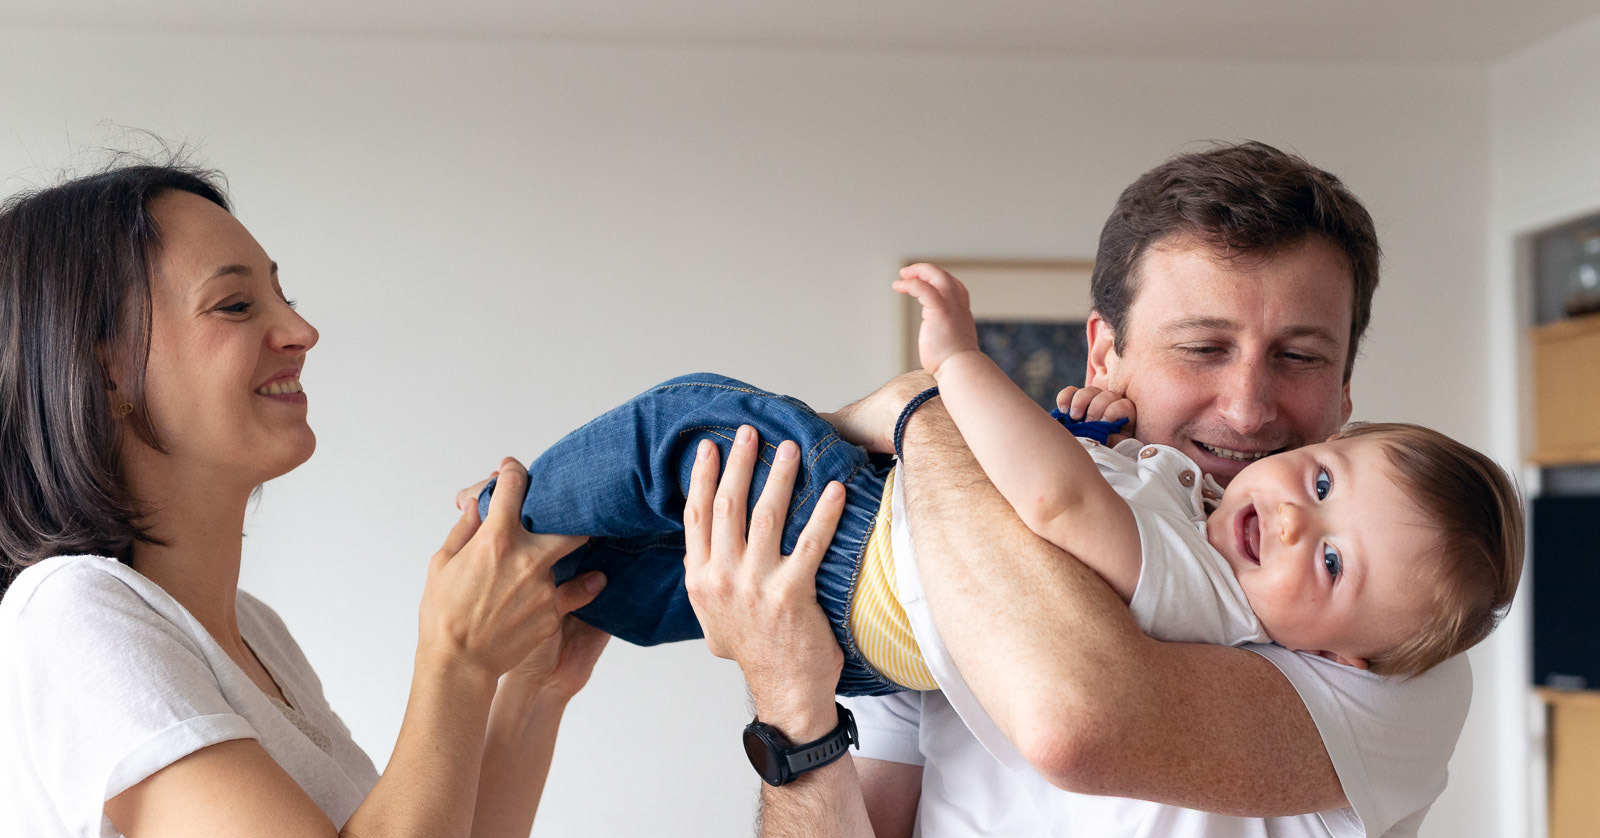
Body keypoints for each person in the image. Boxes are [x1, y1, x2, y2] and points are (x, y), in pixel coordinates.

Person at [682, 142, 1503, 838]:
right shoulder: (960, 558)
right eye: (1203, 347)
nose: (1246, 404)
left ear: (1344, 393)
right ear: (1105, 352)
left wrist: (926, 409)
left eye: (1299, 355)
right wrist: (790, 705)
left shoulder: (1396, 646)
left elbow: (1074, 723)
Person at [0, 162, 608, 838]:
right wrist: (453, 659)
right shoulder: (72, 616)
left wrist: (530, 687)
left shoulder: (256, 633)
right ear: (103, 361)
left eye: (280, 294)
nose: (302, 330)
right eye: (236, 306)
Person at [478, 266, 1518, 693]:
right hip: (887, 653)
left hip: (879, 552)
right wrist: (1088, 431)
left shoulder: (1199, 590)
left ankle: (503, 526)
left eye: (1332, 560)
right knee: (688, 573)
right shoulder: (1210, 548)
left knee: (695, 420)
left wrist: (958, 365)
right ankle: (573, 599)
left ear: (1342, 651)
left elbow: (1058, 503)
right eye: (1323, 484)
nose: (1292, 520)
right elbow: (1083, 500)